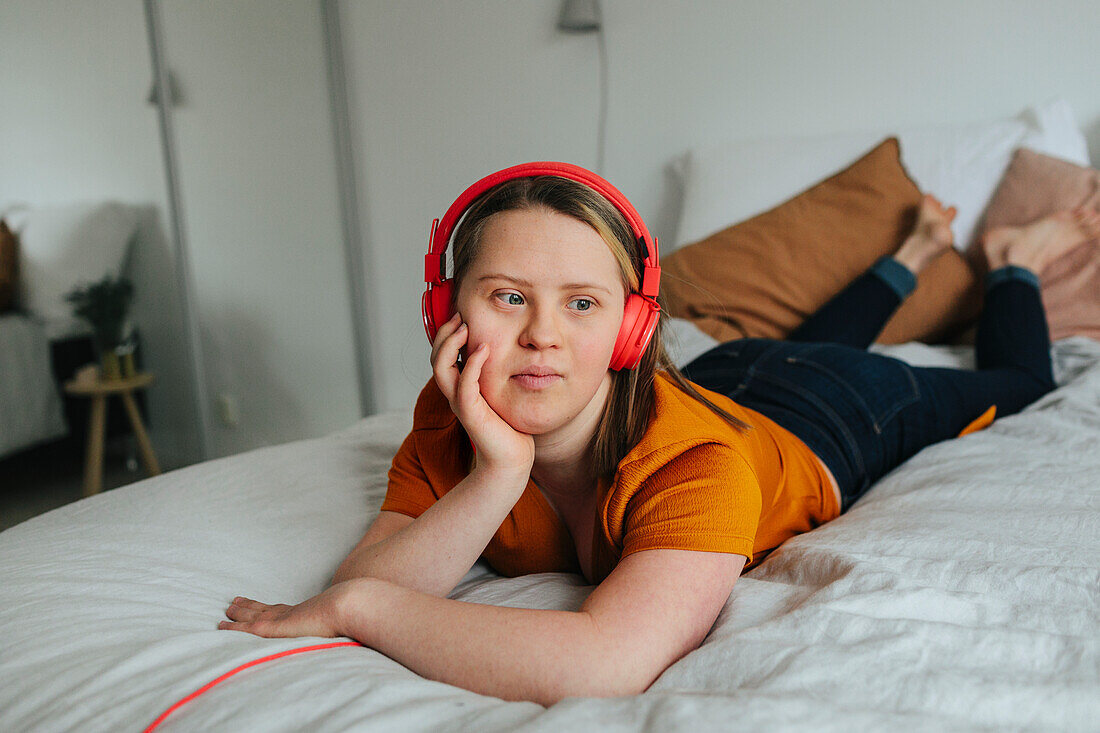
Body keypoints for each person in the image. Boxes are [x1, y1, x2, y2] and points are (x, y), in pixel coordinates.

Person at [218, 163, 1100, 705]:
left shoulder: (694, 465)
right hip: (722, 374)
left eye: (583, 304)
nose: (542, 336)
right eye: (507, 295)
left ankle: (1012, 258)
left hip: (835, 414)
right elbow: (376, 564)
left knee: (1012, 383)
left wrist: (361, 609)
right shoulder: (451, 419)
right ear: (446, 312)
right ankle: (907, 253)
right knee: (783, 344)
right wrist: (496, 476)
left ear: (631, 333)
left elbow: (602, 661)